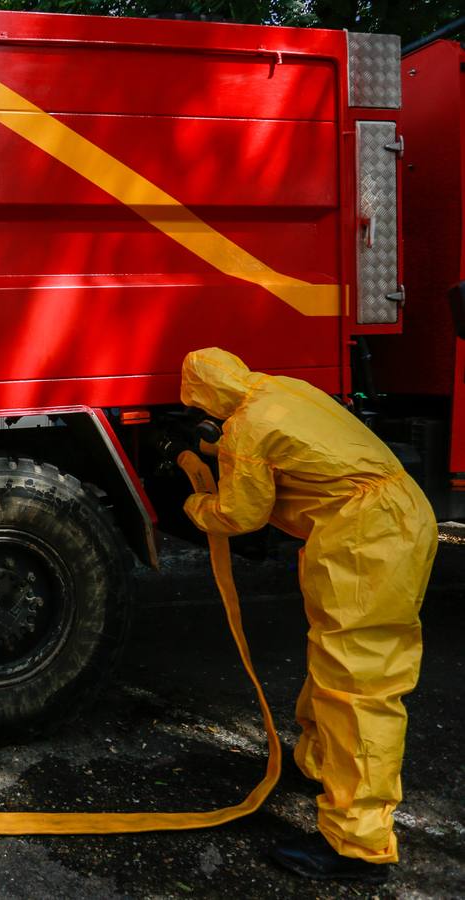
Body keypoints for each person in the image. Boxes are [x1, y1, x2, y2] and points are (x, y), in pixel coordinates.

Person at [179, 348, 436, 883]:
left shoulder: (248, 429)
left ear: (203, 402)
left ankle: (358, 846)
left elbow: (240, 515)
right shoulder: (281, 389)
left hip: (366, 534)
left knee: (358, 686)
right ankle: (322, 765)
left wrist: (194, 505)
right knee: (337, 656)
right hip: (396, 515)